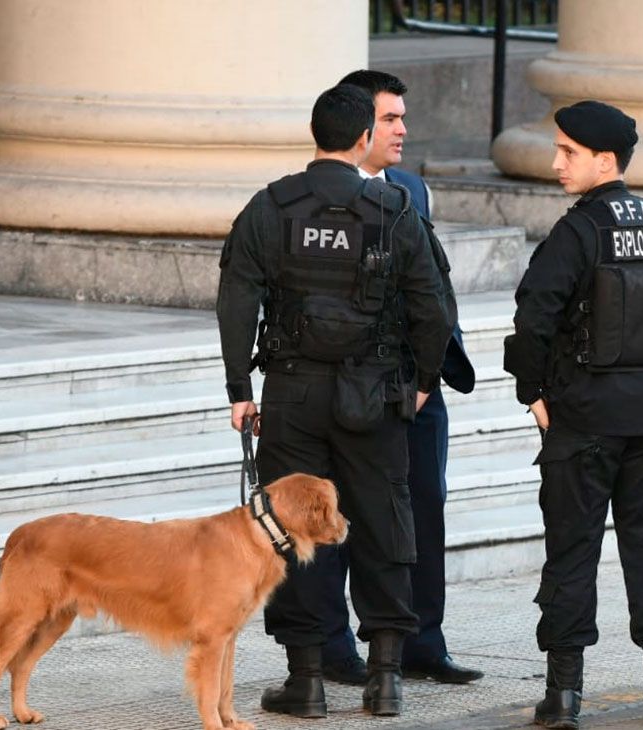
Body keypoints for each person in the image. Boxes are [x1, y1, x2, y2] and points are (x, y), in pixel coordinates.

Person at [216, 83, 456, 719]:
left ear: (316, 135)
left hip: (292, 393)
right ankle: (384, 679)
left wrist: (240, 389)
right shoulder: (394, 208)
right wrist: (424, 380)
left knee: (295, 532)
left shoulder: (271, 206)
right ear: (360, 138)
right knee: (383, 524)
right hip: (374, 395)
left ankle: (309, 680)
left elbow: (237, 298)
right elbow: (432, 305)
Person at [503, 100, 643, 728]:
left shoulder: (579, 231)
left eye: (568, 152)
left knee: (572, 553)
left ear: (605, 160)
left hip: (585, 422)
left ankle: (564, 699)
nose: (555, 162)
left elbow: (533, 318)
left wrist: (533, 392)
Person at [302, 68, 483, 688]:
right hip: (346, 388)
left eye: (404, 117)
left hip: (415, 385)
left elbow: (430, 285)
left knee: (421, 511)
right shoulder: (309, 198)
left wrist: (430, 372)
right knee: (337, 517)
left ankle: (419, 642)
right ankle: (331, 647)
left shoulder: (412, 189)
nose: (403, 129)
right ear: (357, 127)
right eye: (391, 119)